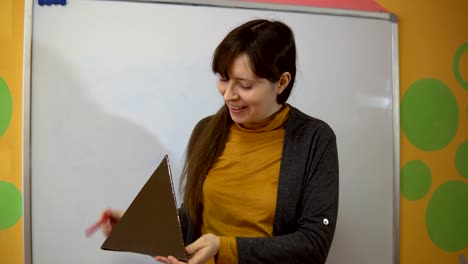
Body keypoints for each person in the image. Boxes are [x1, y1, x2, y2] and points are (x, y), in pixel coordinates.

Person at [102, 19, 339, 264]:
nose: (228, 95)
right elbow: (192, 223)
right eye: (224, 79)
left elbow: (314, 244)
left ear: (281, 82)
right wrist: (143, 228)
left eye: (244, 85)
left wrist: (222, 247)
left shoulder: (314, 139)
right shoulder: (206, 131)